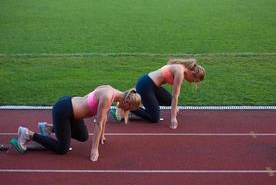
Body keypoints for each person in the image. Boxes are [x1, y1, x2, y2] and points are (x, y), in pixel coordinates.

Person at [11, 86, 141, 162]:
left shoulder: (111, 91)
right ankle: (27, 134)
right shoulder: (108, 97)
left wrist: (102, 135)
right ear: (128, 103)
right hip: (64, 111)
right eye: (128, 109)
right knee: (62, 149)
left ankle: (48, 128)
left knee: (83, 136)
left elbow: (103, 117)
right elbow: (98, 123)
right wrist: (94, 149)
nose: (125, 111)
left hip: (71, 106)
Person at [110, 58, 205, 129]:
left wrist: (174, 107)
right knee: (154, 118)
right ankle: (126, 106)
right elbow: (175, 96)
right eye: (194, 80)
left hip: (152, 85)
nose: (192, 82)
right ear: (192, 73)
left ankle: (138, 98)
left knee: (170, 101)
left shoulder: (181, 68)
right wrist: (173, 118)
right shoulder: (180, 72)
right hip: (146, 85)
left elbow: (173, 99)